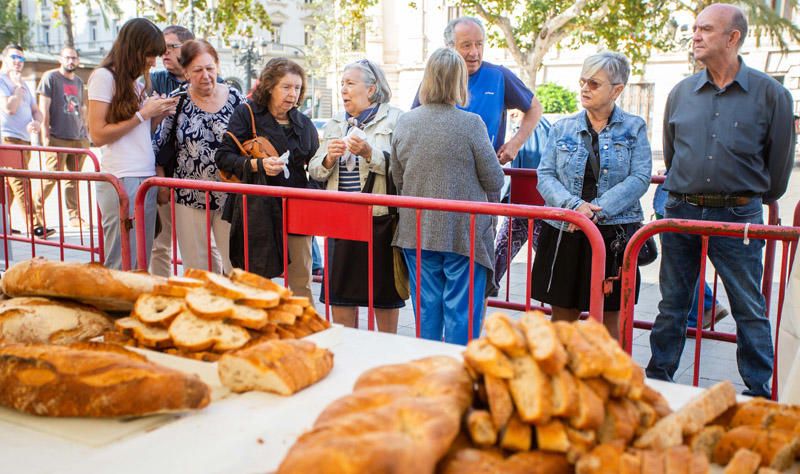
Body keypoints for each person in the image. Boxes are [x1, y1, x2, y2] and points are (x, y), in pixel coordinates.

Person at [647, 4, 795, 398]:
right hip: (681, 211)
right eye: (694, 28)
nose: (694, 36)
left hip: (739, 214)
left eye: (706, 30)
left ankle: (759, 391)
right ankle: (658, 380)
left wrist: (748, 197)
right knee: (672, 303)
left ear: (733, 38)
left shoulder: (772, 94)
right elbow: (673, 155)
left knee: (748, 306)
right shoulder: (681, 93)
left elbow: (778, 170)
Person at [533, 52, 652, 341]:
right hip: (566, 230)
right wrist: (574, 207)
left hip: (615, 233)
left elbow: (640, 178)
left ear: (617, 90)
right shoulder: (563, 127)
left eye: (595, 83)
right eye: (583, 81)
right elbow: (545, 175)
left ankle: (606, 380)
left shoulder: (634, 127)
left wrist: (596, 211)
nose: (585, 88)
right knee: (562, 318)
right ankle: (559, 378)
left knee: (610, 319)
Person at [392, 48, 504, 344]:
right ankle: (459, 378)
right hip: (463, 233)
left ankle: (430, 375)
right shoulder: (471, 124)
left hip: (417, 231)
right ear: (459, 83)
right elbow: (494, 178)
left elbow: (398, 177)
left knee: (426, 314)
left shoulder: (405, 122)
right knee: (461, 318)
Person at [308, 59, 405, 333]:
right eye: (342, 84)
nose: (343, 90)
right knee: (340, 300)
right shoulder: (336, 122)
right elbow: (315, 171)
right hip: (341, 222)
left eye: (350, 84)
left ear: (371, 90)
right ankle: (349, 361)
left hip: (379, 221)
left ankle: (385, 366)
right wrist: (328, 158)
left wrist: (368, 153)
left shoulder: (396, 119)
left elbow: (402, 170)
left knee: (384, 301)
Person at [216, 58, 319, 300]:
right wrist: (258, 164)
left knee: (301, 279)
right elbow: (223, 157)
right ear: (270, 86)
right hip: (255, 207)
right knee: (253, 279)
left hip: (295, 206)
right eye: (286, 87)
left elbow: (315, 167)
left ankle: (304, 331)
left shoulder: (303, 124)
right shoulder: (247, 113)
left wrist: (310, 198)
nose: (292, 94)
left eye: (297, 88)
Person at [87, 18, 178, 270]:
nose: (154, 61)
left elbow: (138, 133)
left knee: (139, 263)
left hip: (141, 178)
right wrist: (143, 114)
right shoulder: (104, 77)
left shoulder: (135, 83)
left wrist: (158, 114)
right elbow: (98, 134)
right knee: (120, 263)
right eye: (151, 54)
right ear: (134, 48)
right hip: (121, 179)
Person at [152, 40, 246, 274]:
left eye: (210, 68)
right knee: (197, 268)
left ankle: (233, 309)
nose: (205, 75)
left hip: (230, 195)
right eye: (197, 70)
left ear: (218, 66)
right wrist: (162, 184)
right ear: (185, 72)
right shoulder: (178, 100)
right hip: (189, 195)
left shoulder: (236, 99)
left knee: (236, 265)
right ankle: (203, 308)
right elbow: (159, 144)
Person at [413, 17, 542, 164]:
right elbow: (414, 122)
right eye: (466, 45)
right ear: (449, 47)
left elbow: (535, 107)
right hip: (442, 173)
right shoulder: (435, 78)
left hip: (486, 176)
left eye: (479, 44)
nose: (474, 52)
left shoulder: (499, 76)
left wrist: (515, 144)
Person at [652, 171, 730, 329]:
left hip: (675, 200)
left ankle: (701, 310)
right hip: (676, 197)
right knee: (684, 265)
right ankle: (706, 305)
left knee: (681, 267)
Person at [149, 25, 195, 277]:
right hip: (163, 174)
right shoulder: (153, 80)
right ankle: (160, 296)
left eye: (171, 47)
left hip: (197, 180)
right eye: (161, 49)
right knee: (161, 244)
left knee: (202, 247)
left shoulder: (207, 78)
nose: (164, 53)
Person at [492, 111, 551, 294]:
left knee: (506, 246)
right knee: (542, 249)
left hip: (525, 202)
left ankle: (487, 287)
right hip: (537, 202)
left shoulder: (528, 129)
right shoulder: (544, 127)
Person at [35, 46, 90, 232]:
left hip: (77, 138)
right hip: (57, 137)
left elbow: (82, 108)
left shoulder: (80, 81)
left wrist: (85, 134)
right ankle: (34, 214)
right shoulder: (51, 78)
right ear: (60, 59)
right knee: (51, 178)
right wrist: (45, 137)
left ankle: (73, 216)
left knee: (73, 180)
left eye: (74, 58)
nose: (71, 61)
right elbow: (44, 109)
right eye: (67, 58)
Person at [0, 44, 46, 237]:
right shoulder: (3, 80)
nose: (18, 62)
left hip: (23, 139)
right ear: (4, 58)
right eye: (14, 58)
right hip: (7, 138)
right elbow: (10, 108)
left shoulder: (24, 83)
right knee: (20, 182)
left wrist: (36, 122)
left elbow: (36, 110)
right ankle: (34, 225)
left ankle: (3, 224)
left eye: (21, 59)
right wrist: (17, 86)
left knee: (7, 187)